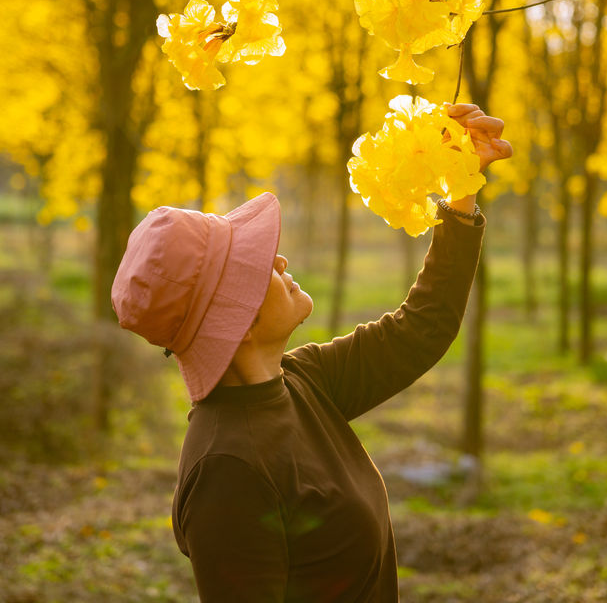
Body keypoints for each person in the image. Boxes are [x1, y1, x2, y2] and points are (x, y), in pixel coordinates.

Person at [112, 102, 512, 603]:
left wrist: (460, 189)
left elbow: (421, 331)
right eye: (256, 264)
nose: (278, 258)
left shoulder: (301, 381)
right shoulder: (227, 472)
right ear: (236, 316)